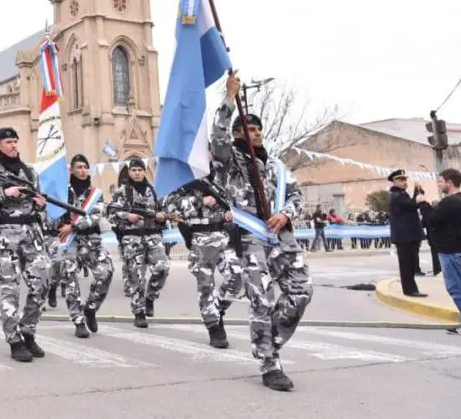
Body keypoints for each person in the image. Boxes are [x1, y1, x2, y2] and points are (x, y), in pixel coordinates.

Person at [209, 72, 312, 392]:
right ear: (238, 133)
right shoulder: (231, 161)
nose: (253, 134)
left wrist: (286, 213)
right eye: (247, 129)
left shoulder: (278, 168)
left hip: (282, 238)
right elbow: (218, 138)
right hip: (250, 239)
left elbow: (296, 196)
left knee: (301, 293)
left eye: (256, 129)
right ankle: (269, 362)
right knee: (262, 300)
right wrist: (229, 98)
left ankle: (272, 343)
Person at [0, 127, 50, 363]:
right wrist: (4, 194)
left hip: (32, 235)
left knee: (43, 281)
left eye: (16, 141)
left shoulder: (30, 172)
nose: (14, 145)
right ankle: (14, 340)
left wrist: (41, 204)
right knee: (10, 290)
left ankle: (28, 330)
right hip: (6, 236)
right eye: (8, 142)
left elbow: (39, 203)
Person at [166, 179, 243, 348]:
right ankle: (213, 326)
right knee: (206, 286)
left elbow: (235, 202)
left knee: (236, 276)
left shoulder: (220, 180)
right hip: (201, 239)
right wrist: (200, 201)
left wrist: (229, 213)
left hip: (223, 236)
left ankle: (217, 309)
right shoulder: (185, 184)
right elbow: (169, 207)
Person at [417, 168, 461, 336]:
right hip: (460, 249)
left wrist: (423, 204)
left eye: (441, 181)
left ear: (449, 182)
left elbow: (432, 220)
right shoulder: (460, 200)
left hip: (452, 251)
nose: (439, 184)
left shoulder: (450, 201)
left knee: (457, 287)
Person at [55, 154, 114, 338]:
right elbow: (53, 215)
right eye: (78, 167)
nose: (82, 170)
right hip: (71, 242)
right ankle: (78, 320)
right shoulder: (62, 192)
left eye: (85, 167)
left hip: (92, 240)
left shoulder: (95, 193)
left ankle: (90, 308)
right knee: (70, 279)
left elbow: (96, 216)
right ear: (71, 170)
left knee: (106, 272)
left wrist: (73, 225)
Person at [106, 157, 169, 328]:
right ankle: (139, 312)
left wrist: (162, 217)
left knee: (162, 268)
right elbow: (110, 213)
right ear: (130, 172)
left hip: (153, 236)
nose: (137, 173)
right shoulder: (122, 192)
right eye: (134, 170)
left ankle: (150, 297)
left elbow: (166, 211)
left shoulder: (154, 191)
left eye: (140, 170)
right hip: (132, 238)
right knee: (137, 276)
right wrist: (127, 216)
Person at [387, 169, 427, 297]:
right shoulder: (397, 195)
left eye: (405, 180)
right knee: (406, 264)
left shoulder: (401, 194)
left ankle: (411, 288)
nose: (405, 182)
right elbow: (412, 205)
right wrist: (418, 197)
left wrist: (417, 191)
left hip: (408, 235)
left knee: (410, 263)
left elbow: (411, 205)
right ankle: (410, 290)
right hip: (405, 236)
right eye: (402, 180)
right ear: (395, 182)